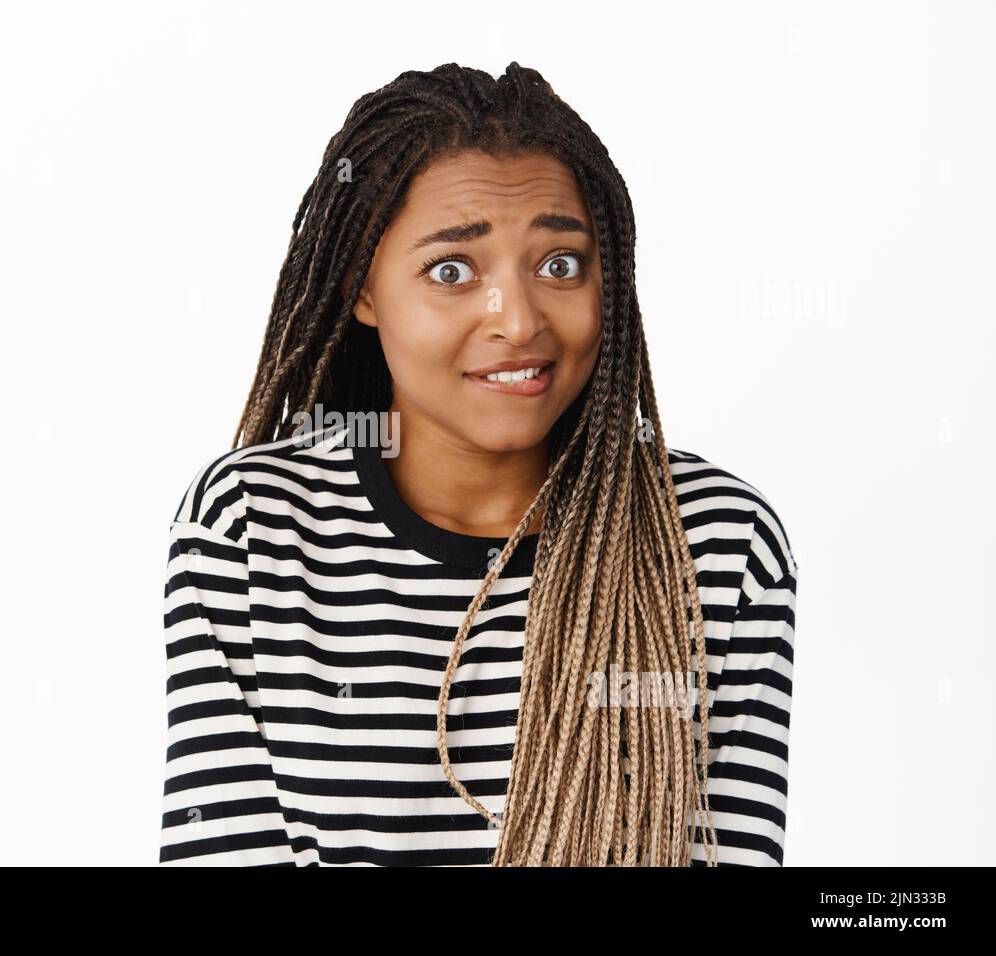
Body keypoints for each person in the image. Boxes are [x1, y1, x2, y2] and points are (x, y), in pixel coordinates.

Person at [158, 62, 798, 866]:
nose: (518, 320)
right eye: (452, 271)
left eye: (560, 263)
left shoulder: (717, 545)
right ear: (363, 286)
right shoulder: (251, 532)